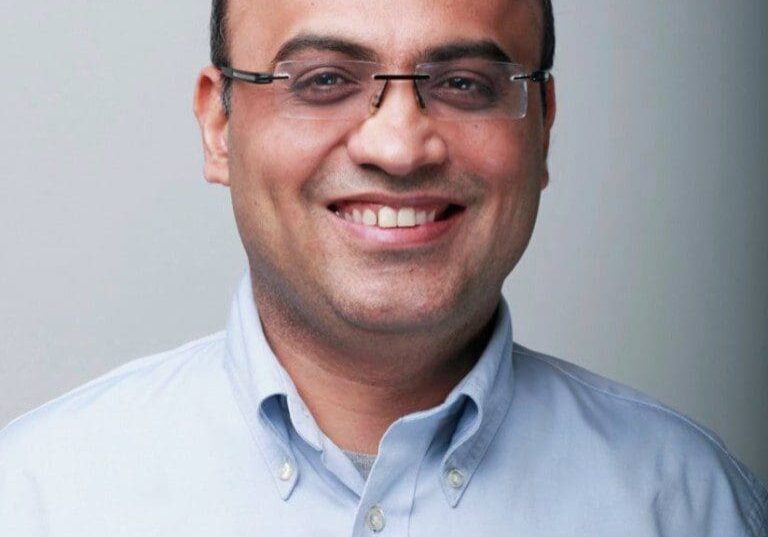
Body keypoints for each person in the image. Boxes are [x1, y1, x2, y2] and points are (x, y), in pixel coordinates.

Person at [1, 0, 766, 534]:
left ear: (543, 129)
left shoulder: (692, 506)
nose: (399, 148)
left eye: (464, 84)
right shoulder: (36, 501)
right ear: (218, 126)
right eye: (324, 80)